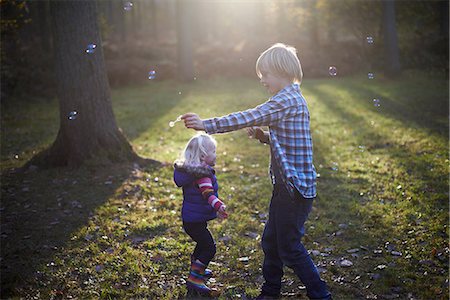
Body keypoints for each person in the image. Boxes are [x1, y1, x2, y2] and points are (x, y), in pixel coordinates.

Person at [181, 43, 331, 299]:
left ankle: (321, 294)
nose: (262, 81)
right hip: (288, 188)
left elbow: (248, 116)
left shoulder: (285, 101)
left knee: (290, 248)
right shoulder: (293, 98)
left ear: (282, 71)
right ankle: (270, 292)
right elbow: (292, 141)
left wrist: (207, 125)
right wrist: (265, 137)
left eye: (266, 75)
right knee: (271, 242)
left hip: (293, 191)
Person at [173, 133, 228, 296]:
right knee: (209, 248)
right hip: (194, 221)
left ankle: (197, 269)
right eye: (214, 152)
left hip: (192, 220)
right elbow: (208, 195)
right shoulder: (202, 175)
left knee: (202, 244)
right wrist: (219, 206)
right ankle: (195, 279)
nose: (216, 155)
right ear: (204, 155)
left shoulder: (191, 173)